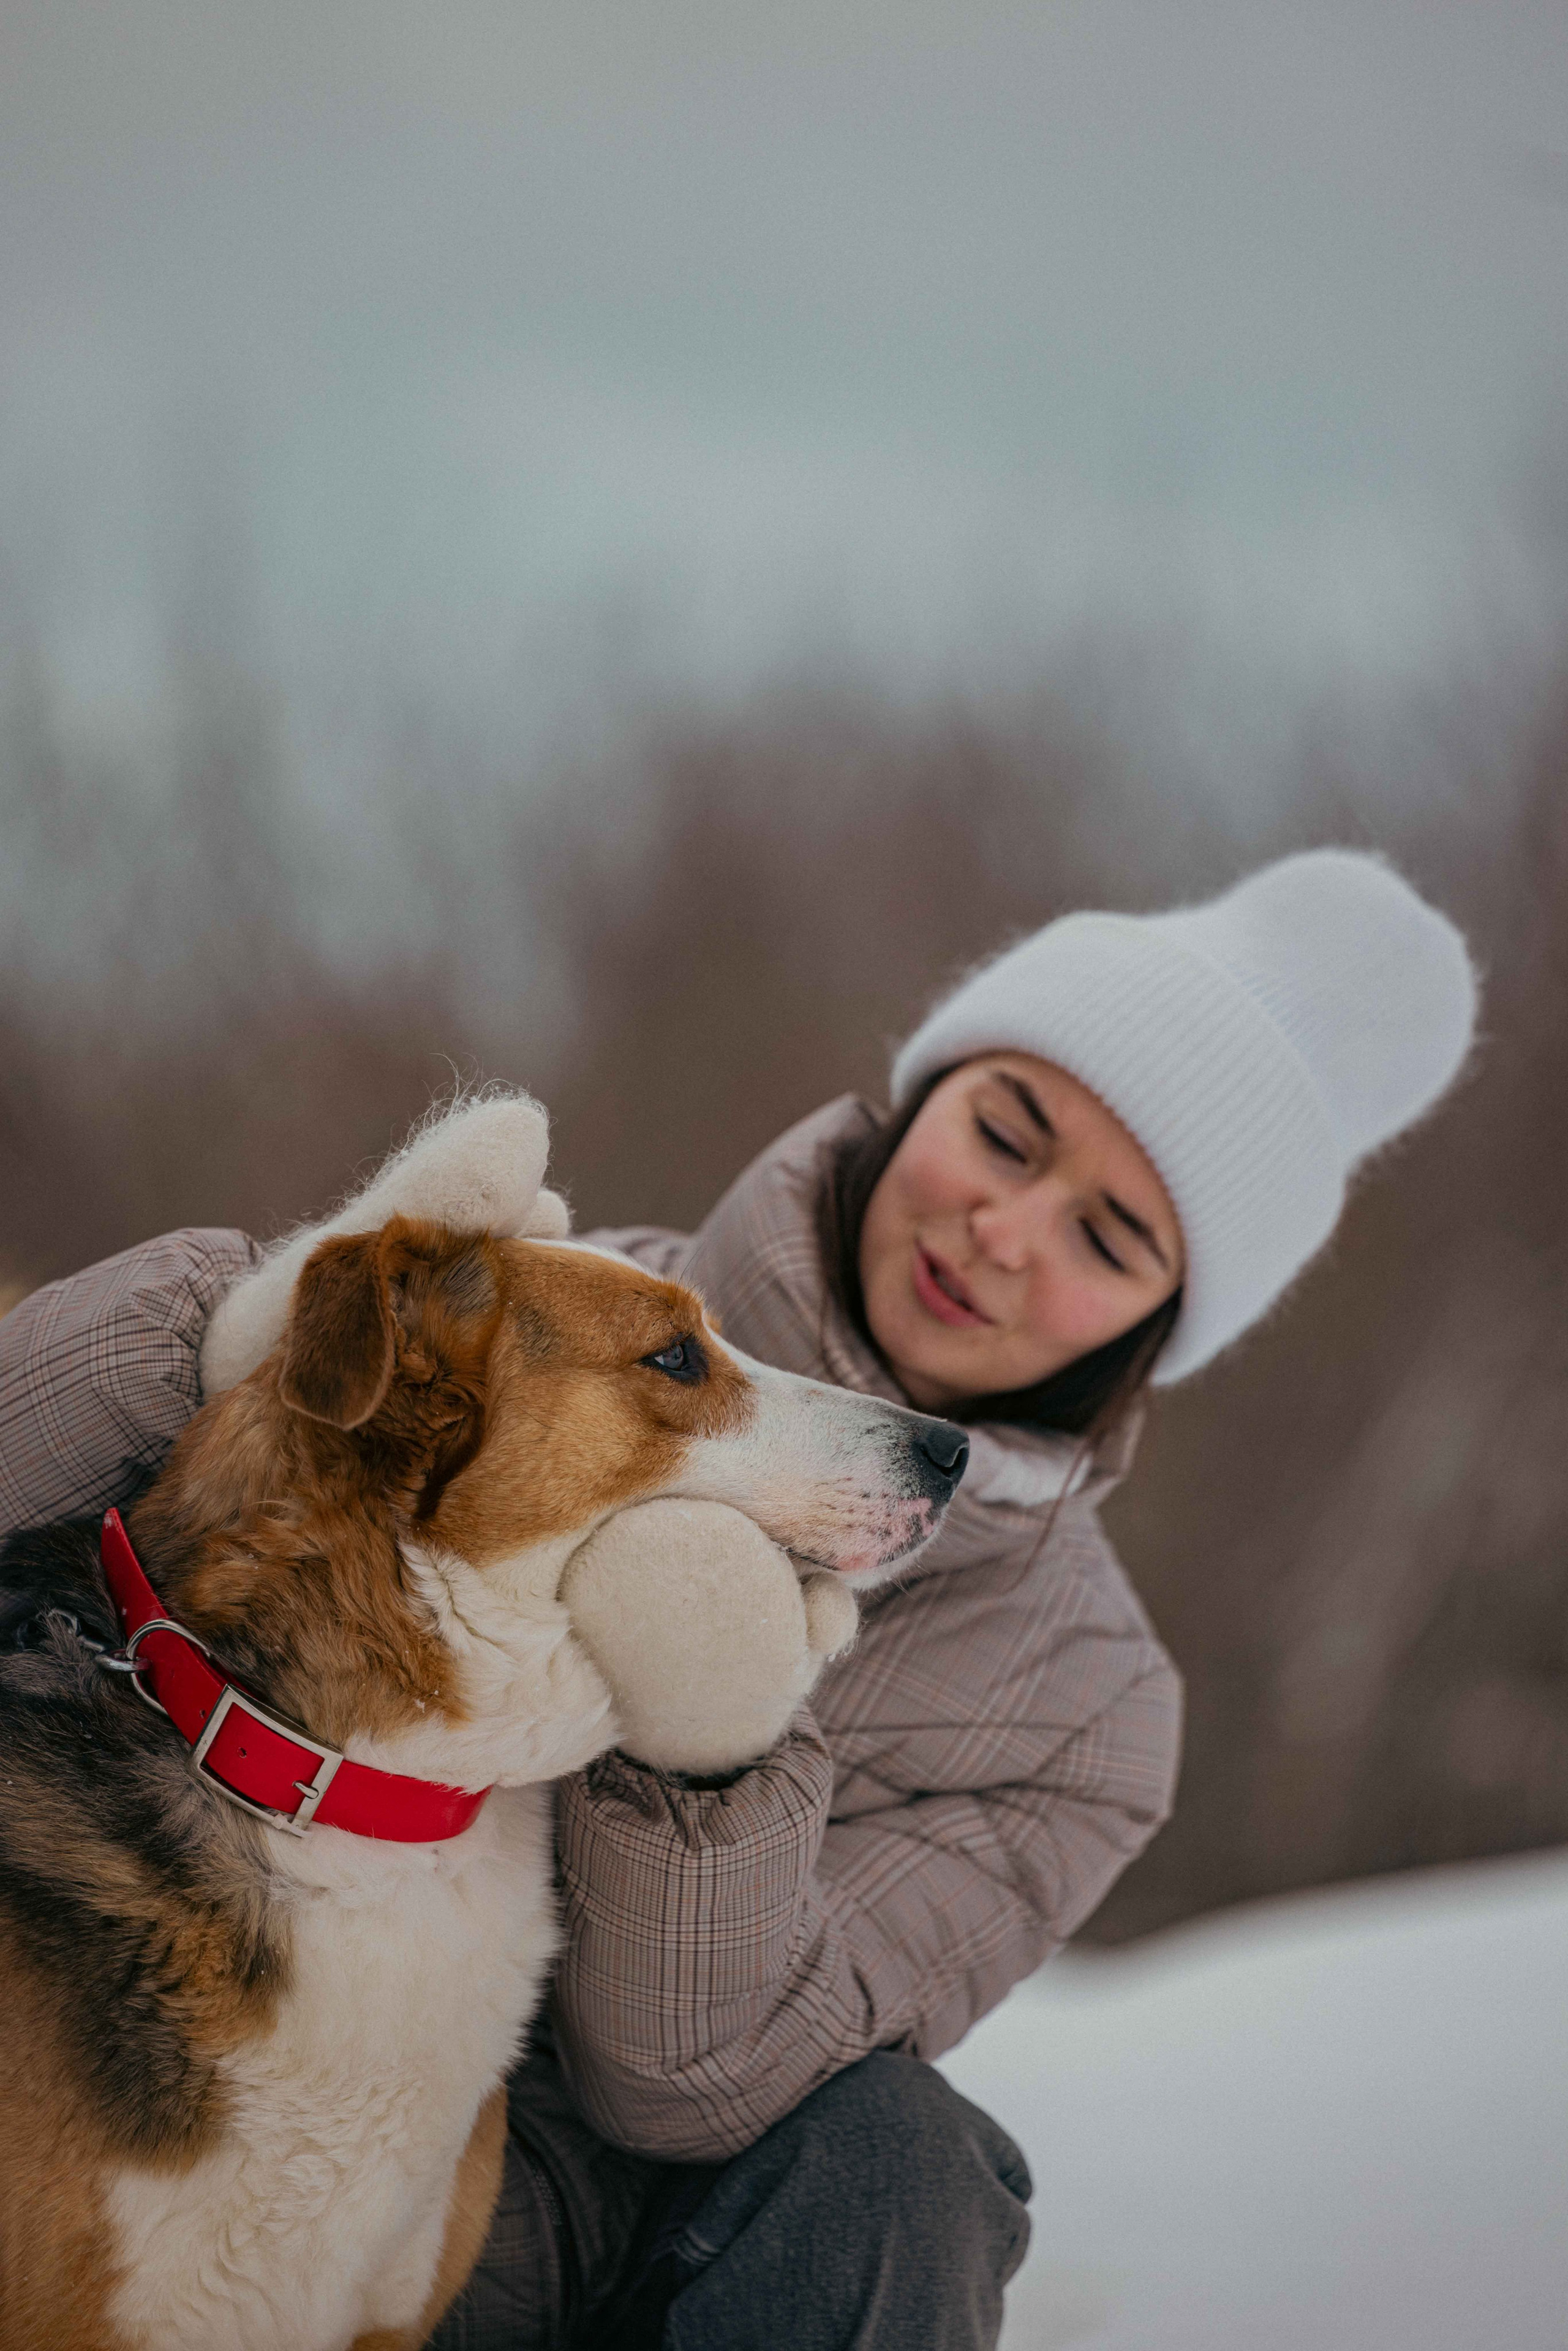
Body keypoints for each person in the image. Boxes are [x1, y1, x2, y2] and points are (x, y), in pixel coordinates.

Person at [0, 848, 1477, 2350]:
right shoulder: (557, 1307)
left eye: (1108, 1237)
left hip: (662, 2231)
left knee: (908, 2159)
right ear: (921, 1096)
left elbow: (691, 2078)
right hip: (288, 2099)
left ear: (1158, 1323)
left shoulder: (1087, 1716)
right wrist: (246, 1327)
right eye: (1006, 1133)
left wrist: (708, 1744)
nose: (1006, 1232)